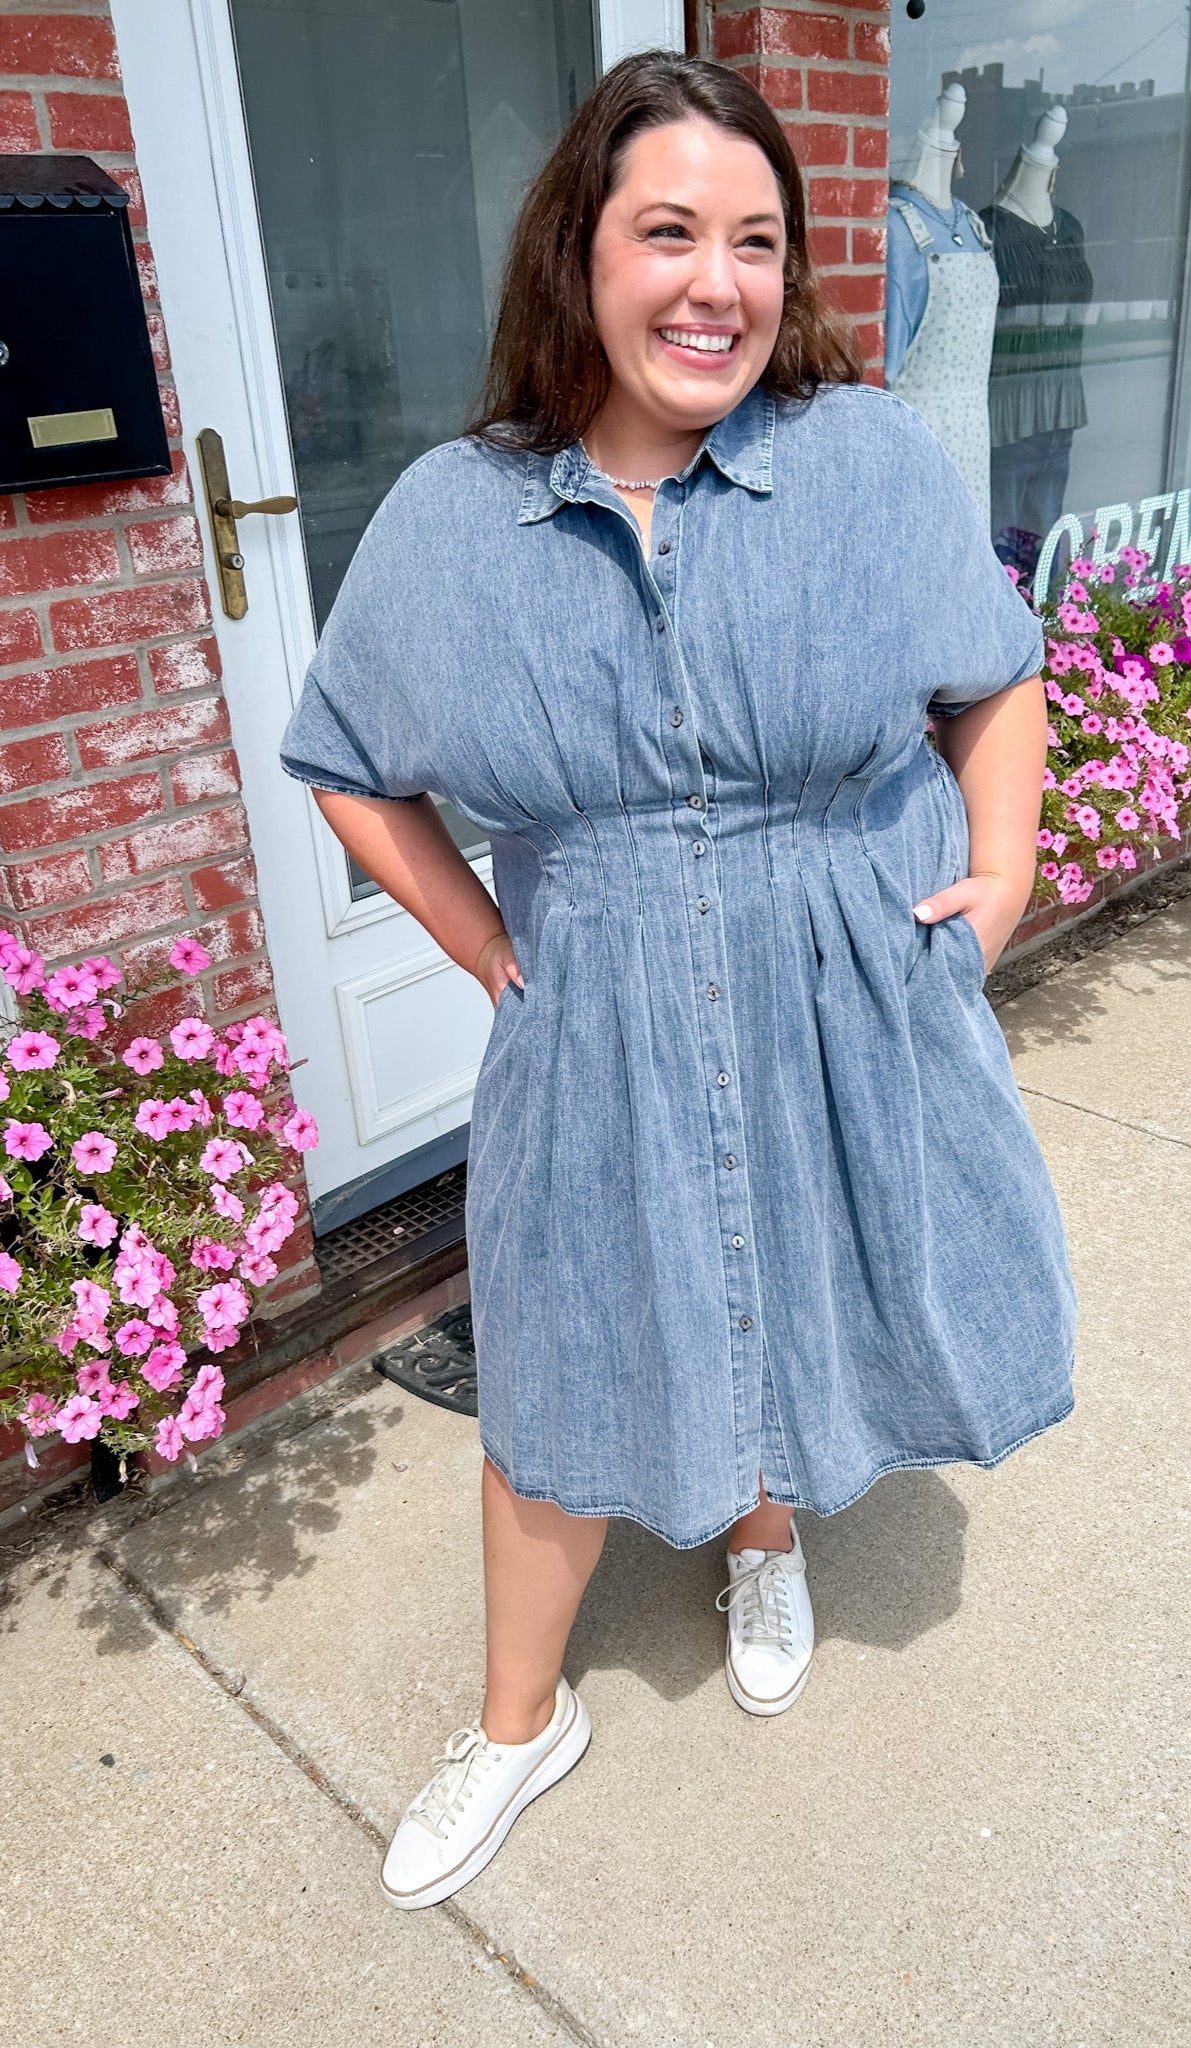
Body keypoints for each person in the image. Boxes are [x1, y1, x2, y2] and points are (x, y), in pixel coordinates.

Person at [278, 49, 1077, 1912]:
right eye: (667, 233)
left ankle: (764, 1536)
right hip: (601, 988)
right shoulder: (456, 517)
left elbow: (994, 669)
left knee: (786, 1263)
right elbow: (341, 763)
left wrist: (1005, 870)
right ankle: (513, 1722)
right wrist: (488, 950)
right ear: (582, 254)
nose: (714, 281)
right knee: (560, 1339)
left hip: (838, 968)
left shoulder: (863, 464)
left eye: (754, 240)